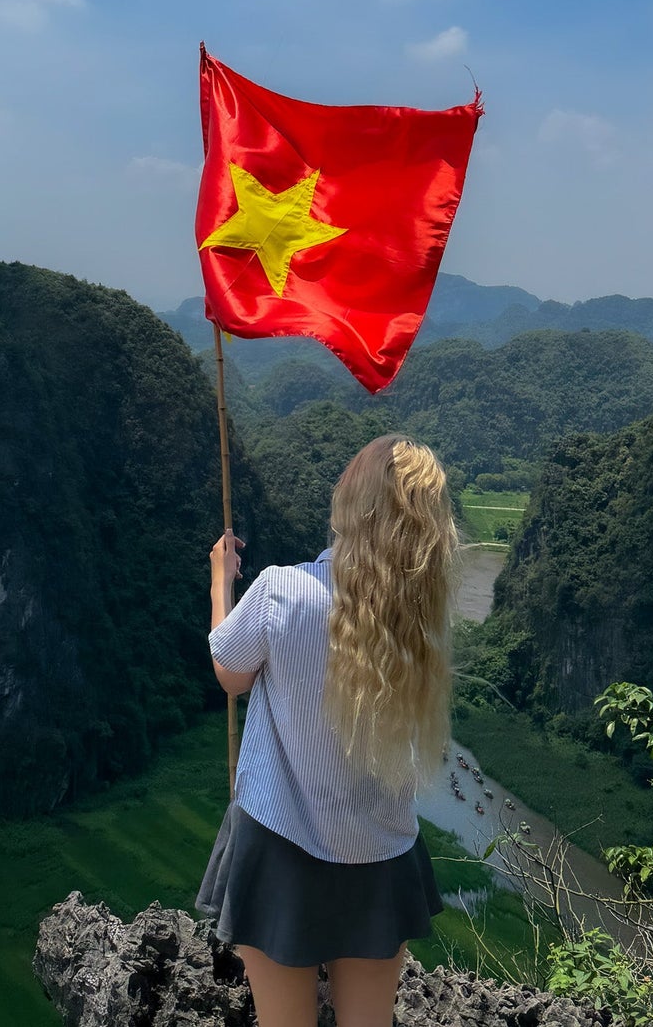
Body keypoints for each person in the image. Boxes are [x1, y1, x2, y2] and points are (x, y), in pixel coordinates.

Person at [196, 434, 462, 1027]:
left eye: (352, 470)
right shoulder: (423, 616)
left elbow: (230, 674)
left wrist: (221, 580)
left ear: (354, 501)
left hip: (278, 848)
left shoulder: (280, 591)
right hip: (380, 856)